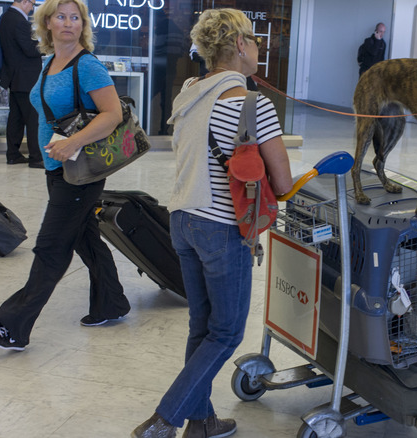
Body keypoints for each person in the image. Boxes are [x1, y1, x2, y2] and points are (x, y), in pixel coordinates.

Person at [132, 8, 293, 438]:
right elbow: (282, 181)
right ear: (240, 45)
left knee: (201, 327)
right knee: (225, 333)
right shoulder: (252, 105)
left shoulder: (188, 94)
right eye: (255, 41)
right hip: (222, 227)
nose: (260, 48)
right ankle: (164, 420)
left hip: (181, 219)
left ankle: (200, 422)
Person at [0, 0, 130, 352]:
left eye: (75, 17)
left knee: (51, 246)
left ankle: (14, 327)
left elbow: (112, 114)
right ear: (47, 22)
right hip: (58, 167)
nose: (69, 23)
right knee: (85, 238)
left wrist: (73, 141)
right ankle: (112, 303)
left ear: (83, 24)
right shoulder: (49, 62)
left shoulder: (88, 65)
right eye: (61, 16)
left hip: (80, 170)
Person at [0, 0, 44, 168]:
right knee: (33, 118)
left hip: (14, 76)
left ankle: (13, 154)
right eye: (32, 3)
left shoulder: (6, 18)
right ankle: (36, 157)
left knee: (16, 118)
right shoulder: (19, 21)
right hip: (26, 78)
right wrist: (48, 46)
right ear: (24, 1)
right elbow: (30, 50)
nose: (32, 7)